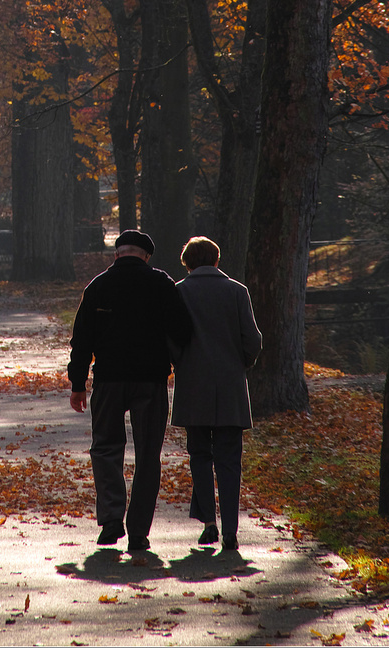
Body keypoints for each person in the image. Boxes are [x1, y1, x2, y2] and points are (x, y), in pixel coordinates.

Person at [68, 229, 192, 552]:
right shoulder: (161, 283)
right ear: (146, 256)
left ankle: (111, 519)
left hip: (108, 380)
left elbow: (81, 340)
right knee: (148, 454)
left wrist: (78, 384)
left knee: (106, 447)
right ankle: (138, 531)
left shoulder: (97, 286)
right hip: (150, 381)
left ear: (117, 254)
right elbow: (183, 330)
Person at [170, 235, 262, 551]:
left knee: (199, 453)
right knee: (229, 459)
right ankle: (231, 529)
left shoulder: (180, 292)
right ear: (217, 260)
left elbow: (172, 339)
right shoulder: (238, 292)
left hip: (193, 384)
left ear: (188, 263)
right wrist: (241, 365)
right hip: (230, 386)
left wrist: (181, 362)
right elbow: (253, 338)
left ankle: (209, 521)